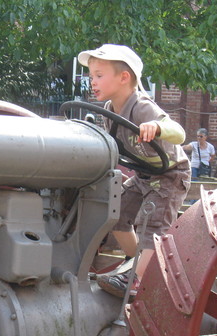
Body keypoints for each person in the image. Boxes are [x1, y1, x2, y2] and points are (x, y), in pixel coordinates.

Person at [77, 44, 190, 298]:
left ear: (124, 77)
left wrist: (156, 127)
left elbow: (179, 133)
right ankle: (135, 262)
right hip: (142, 176)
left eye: (98, 75)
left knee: (152, 225)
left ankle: (138, 279)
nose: (92, 82)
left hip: (170, 177)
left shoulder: (141, 107)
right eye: (91, 76)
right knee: (116, 214)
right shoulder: (109, 110)